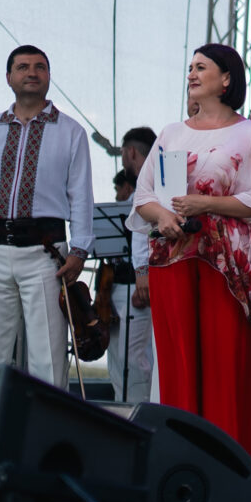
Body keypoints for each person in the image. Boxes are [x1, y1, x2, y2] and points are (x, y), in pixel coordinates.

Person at [130, 45, 251, 460]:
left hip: (226, 266)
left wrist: (205, 204)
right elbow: (144, 196)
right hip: (174, 258)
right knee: (178, 362)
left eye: (201, 67)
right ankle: (180, 463)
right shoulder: (172, 133)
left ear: (226, 79)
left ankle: (228, 467)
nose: (191, 74)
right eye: (190, 67)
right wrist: (163, 216)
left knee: (223, 364)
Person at [0, 45, 94, 387]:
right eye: (23, 67)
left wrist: (79, 250)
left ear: (49, 76)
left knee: (49, 353)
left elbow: (81, 196)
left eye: (39, 67)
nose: (32, 72)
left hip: (47, 255)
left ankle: (49, 419)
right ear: (8, 77)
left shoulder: (71, 131)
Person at [104, 123, 157, 404]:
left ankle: (137, 411)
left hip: (141, 282)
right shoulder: (145, 187)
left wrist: (142, 274)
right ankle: (123, 407)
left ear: (131, 152)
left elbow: (143, 236)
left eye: (123, 152)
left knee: (133, 355)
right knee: (120, 355)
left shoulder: (152, 185)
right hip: (125, 282)